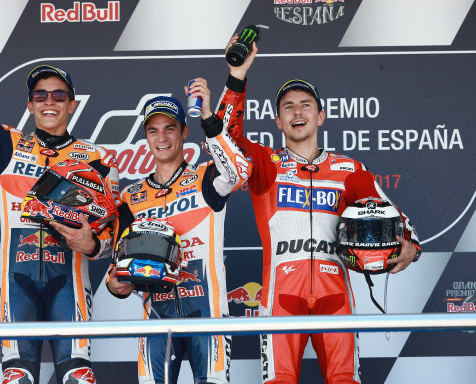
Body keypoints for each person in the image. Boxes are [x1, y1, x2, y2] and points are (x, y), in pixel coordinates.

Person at [0, 0, 122, 384]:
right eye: (40, 95)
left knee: (78, 378)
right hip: (15, 284)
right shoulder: (6, 144)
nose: (49, 101)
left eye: (58, 95)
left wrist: (92, 245)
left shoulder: (98, 157)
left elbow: (112, 233)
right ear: (30, 103)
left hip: (69, 283)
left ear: (72, 105)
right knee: (17, 379)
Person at [218, 37, 421, 383]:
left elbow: (392, 215)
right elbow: (223, 136)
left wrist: (412, 247)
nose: (298, 112)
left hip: (336, 293)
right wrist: (237, 75)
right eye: (288, 107)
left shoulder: (349, 169)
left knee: (344, 380)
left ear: (321, 116)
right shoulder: (265, 163)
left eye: (306, 104)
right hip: (280, 295)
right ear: (278, 122)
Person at [107, 79, 251, 384]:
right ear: (145, 136)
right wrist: (115, 285)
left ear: (184, 131)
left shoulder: (205, 178)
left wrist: (209, 118)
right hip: (157, 318)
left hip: (207, 312)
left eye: (170, 128)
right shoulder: (130, 198)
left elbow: (238, 171)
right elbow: (117, 273)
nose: (162, 137)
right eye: (153, 130)